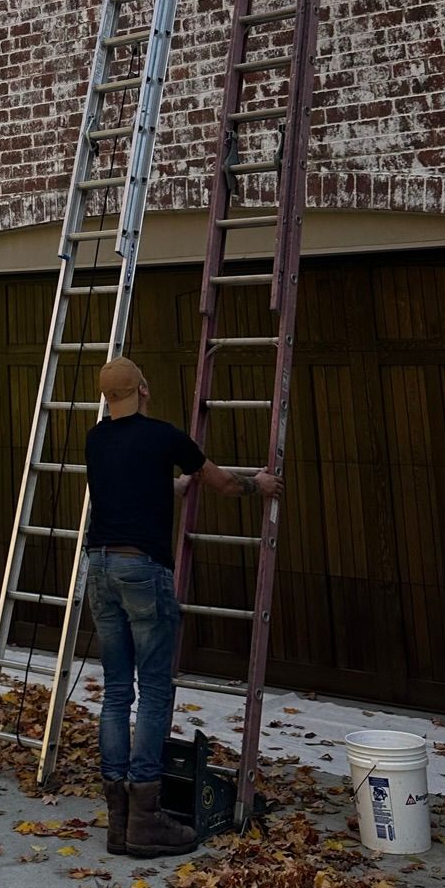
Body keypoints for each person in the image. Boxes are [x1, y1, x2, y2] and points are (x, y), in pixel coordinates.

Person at [85, 357, 281, 857]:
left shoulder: (97, 439)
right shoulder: (165, 437)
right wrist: (257, 485)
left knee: (114, 691)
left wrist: (170, 487)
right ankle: (145, 819)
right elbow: (220, 482)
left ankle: (118, 821)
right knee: (152, 691)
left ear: (107, 398)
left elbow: (128, 488)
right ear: (144, 389)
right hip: (143, 572)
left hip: (100, 569)